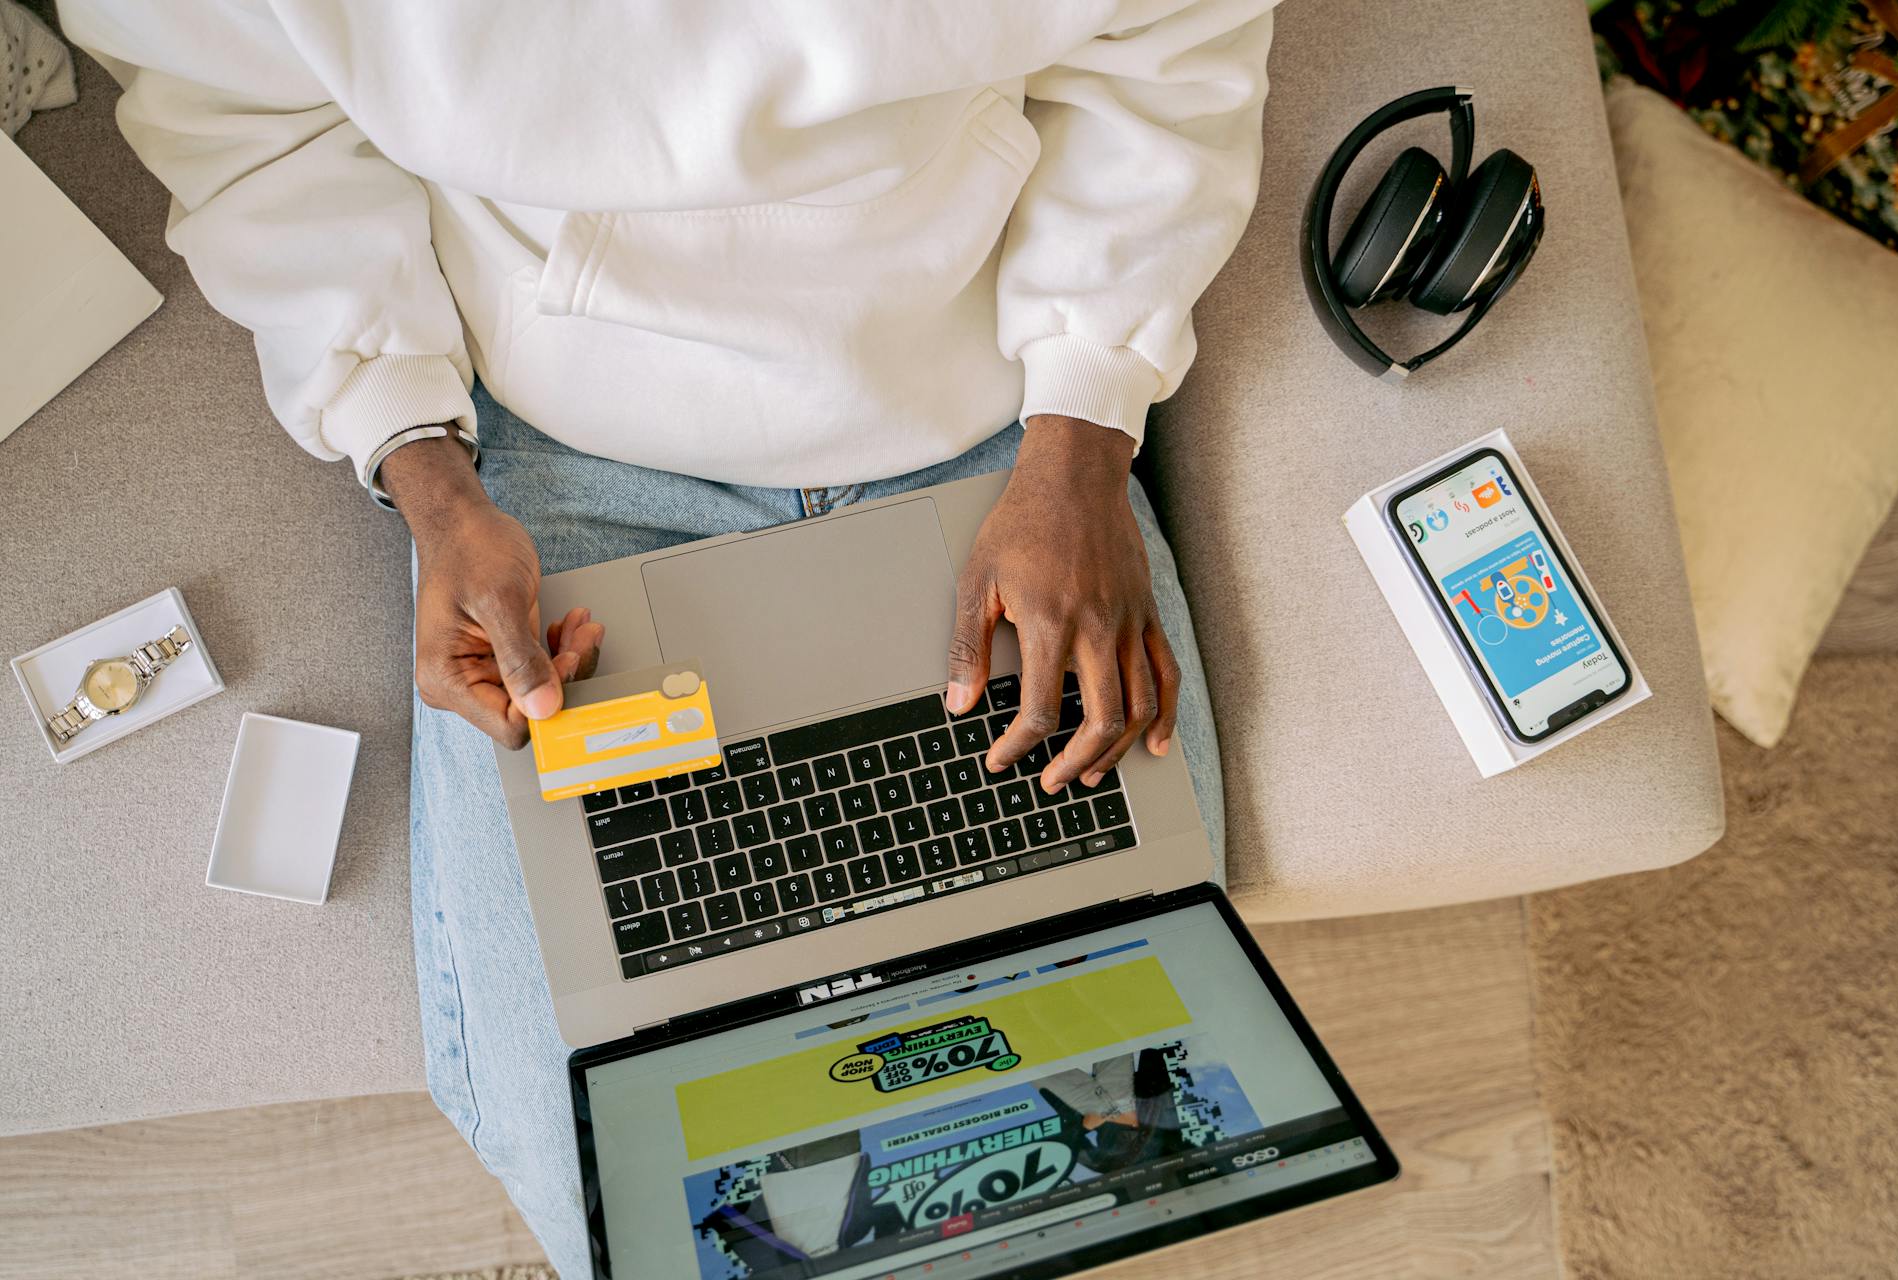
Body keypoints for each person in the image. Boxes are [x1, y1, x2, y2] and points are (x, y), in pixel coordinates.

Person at [62, 2, 1274, 1271]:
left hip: (994, 418)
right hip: (573, 451)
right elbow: (251, 128)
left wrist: (1082, 431)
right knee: (645, 1210)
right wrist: (425, 474)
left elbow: (1175, 42)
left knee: (1135, 1113)